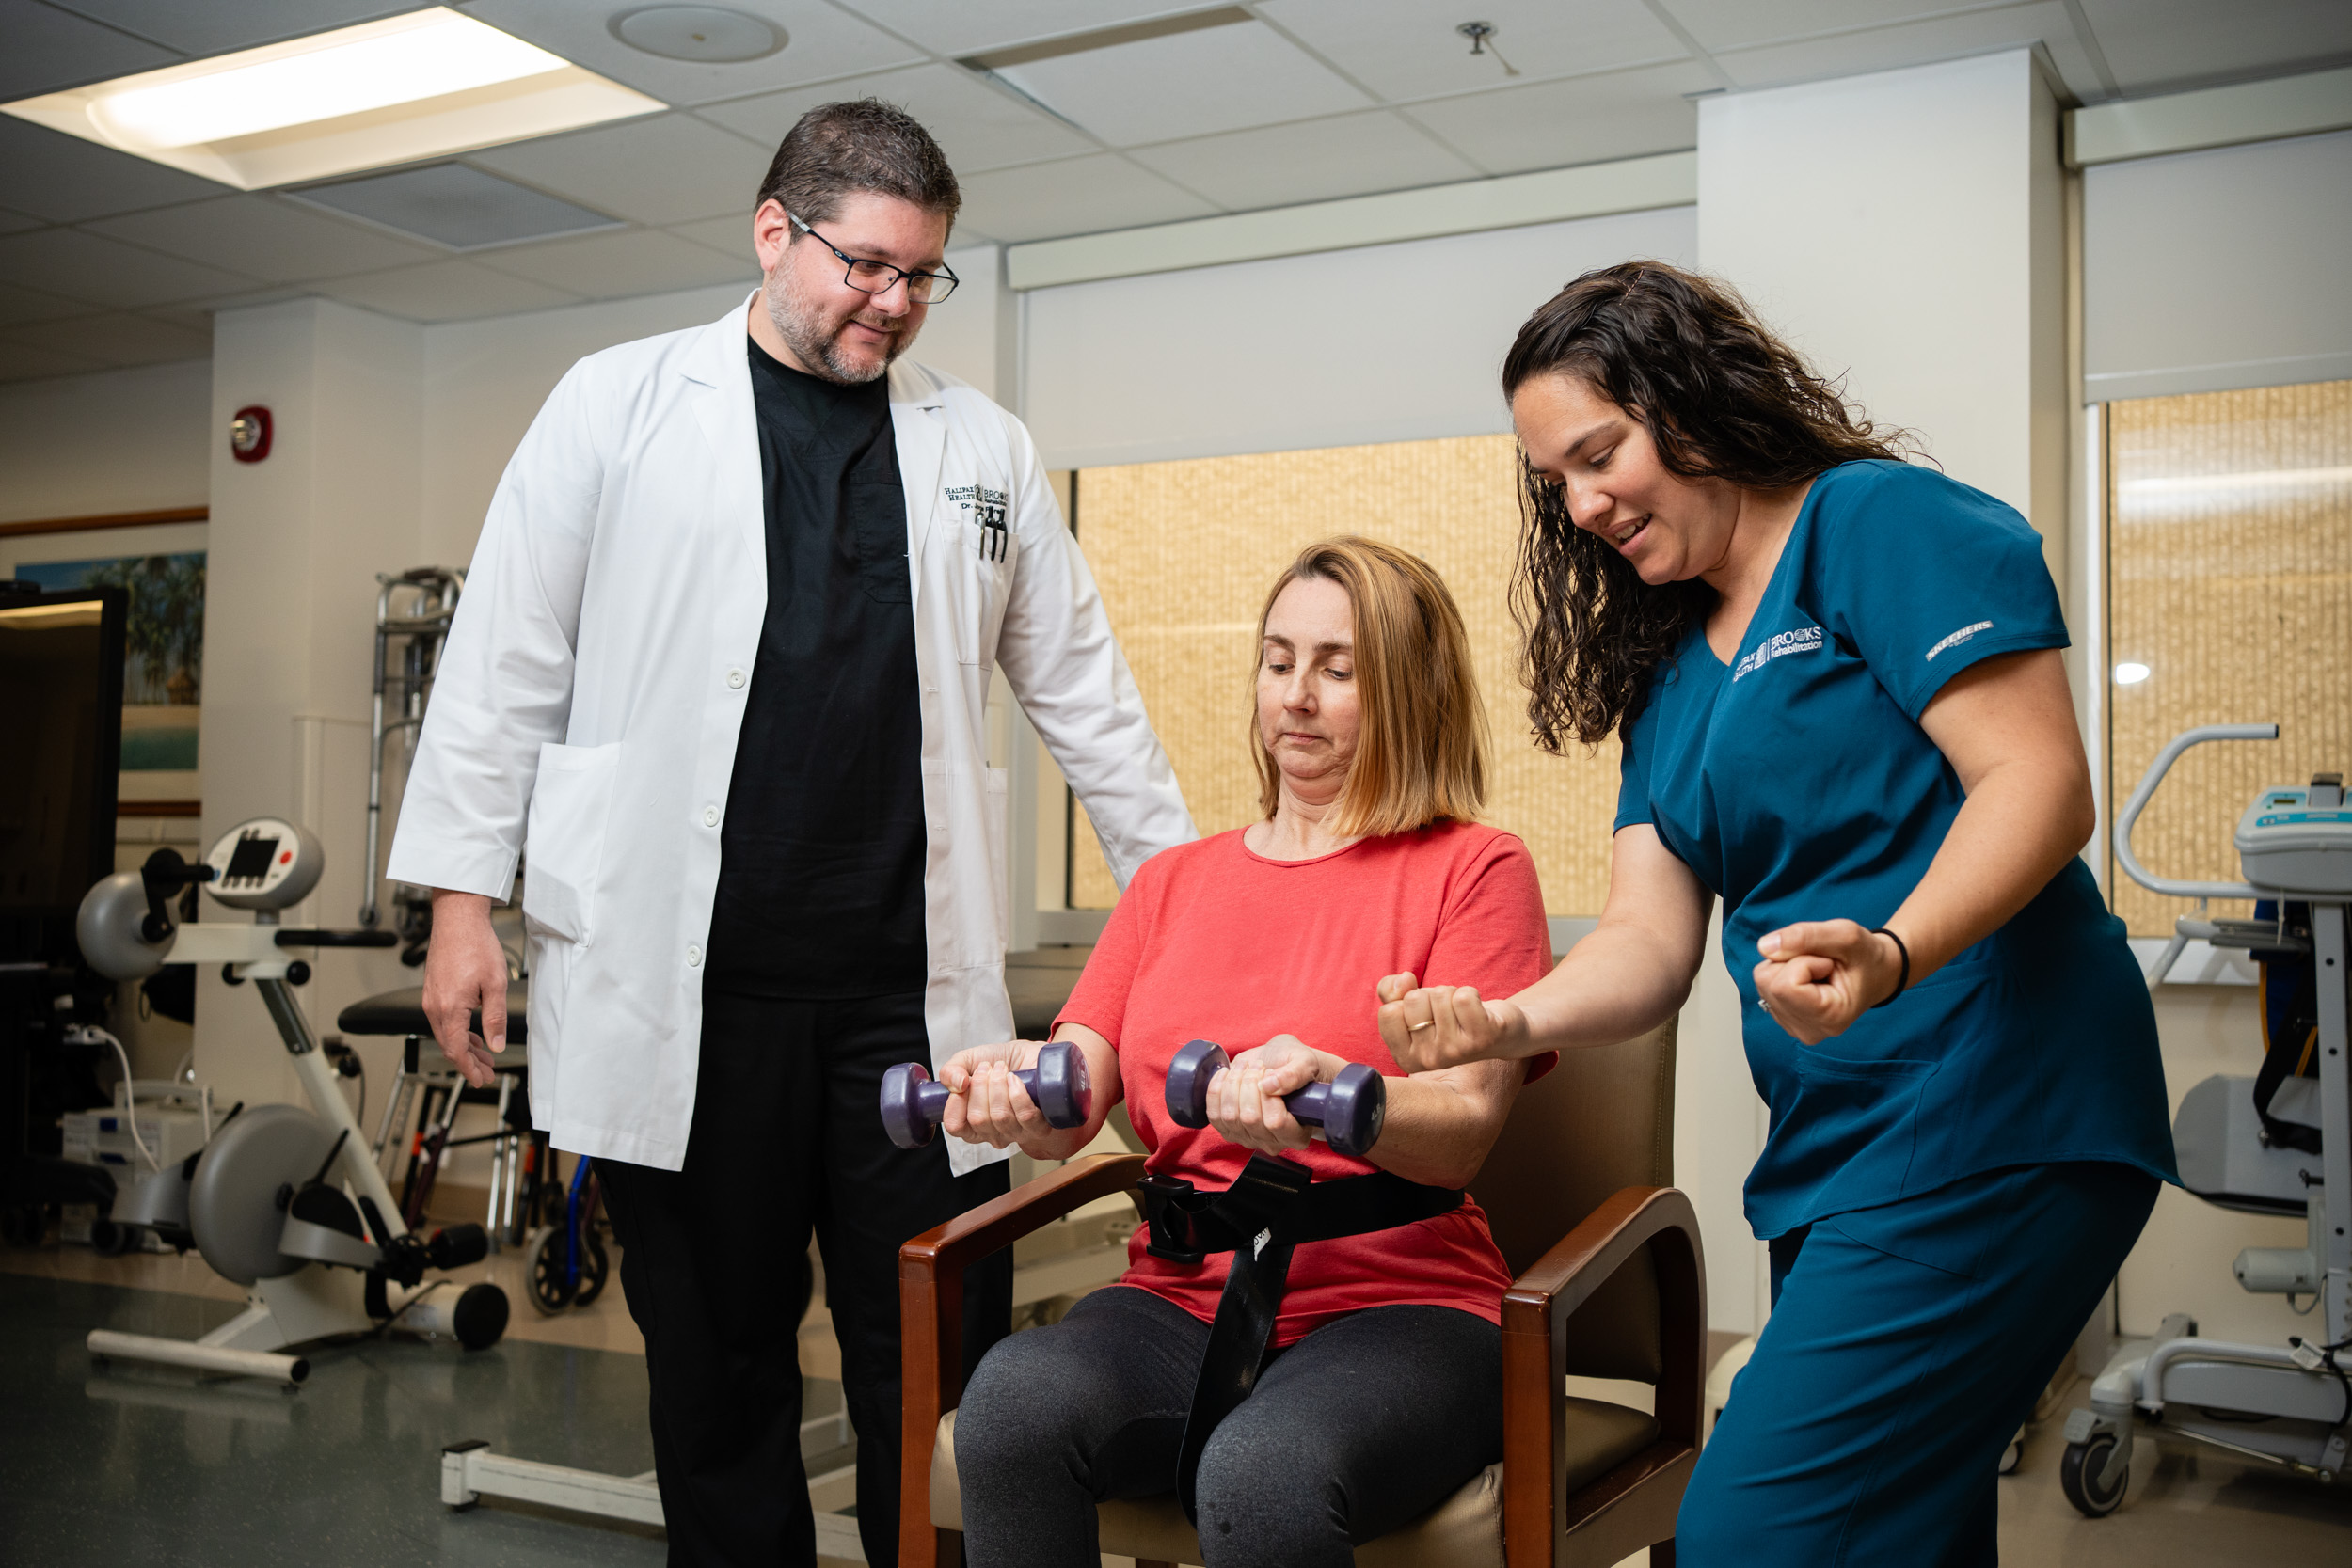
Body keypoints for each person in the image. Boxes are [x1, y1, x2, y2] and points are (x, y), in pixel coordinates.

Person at [387, 101, 1195, 1567]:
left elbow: (1089, 696)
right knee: (718, 1373)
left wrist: (1191, 906)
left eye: (923, 273)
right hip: (686, 995)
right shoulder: (615, 404)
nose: (895, 300)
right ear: (775, 233)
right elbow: (505, 656)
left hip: (912, 1010)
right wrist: (460, 906)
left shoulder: (981, 448)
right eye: (868, 264)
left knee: (936, 1363)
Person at [1378, 261, 2176, 1564]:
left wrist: (1894, 944)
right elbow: (1648, 940)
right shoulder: (1670, 669)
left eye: (1600, 453)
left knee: (1751, 1534)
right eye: (1555, 484)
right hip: (1841, 1142)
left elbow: (2038, 782)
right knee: (1904, 1530)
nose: (1583, 504)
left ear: (1687, 397)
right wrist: (1501, 1016)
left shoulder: (1873, 522)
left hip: (1999, 1105)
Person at [937, 537, 1554, 1568]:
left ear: (1409, 689)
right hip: (1179, 1296)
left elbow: (1460, 1135)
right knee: (1011, 1403)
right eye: (1278, 661)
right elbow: (1073, 1091)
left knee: (1262, 1465)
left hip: (1399, 1302)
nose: (1296, 697)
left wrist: (1337, 1095)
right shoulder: (1172, 883)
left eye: (1338, 668)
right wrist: (1012, 1089)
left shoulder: (1474, 870)